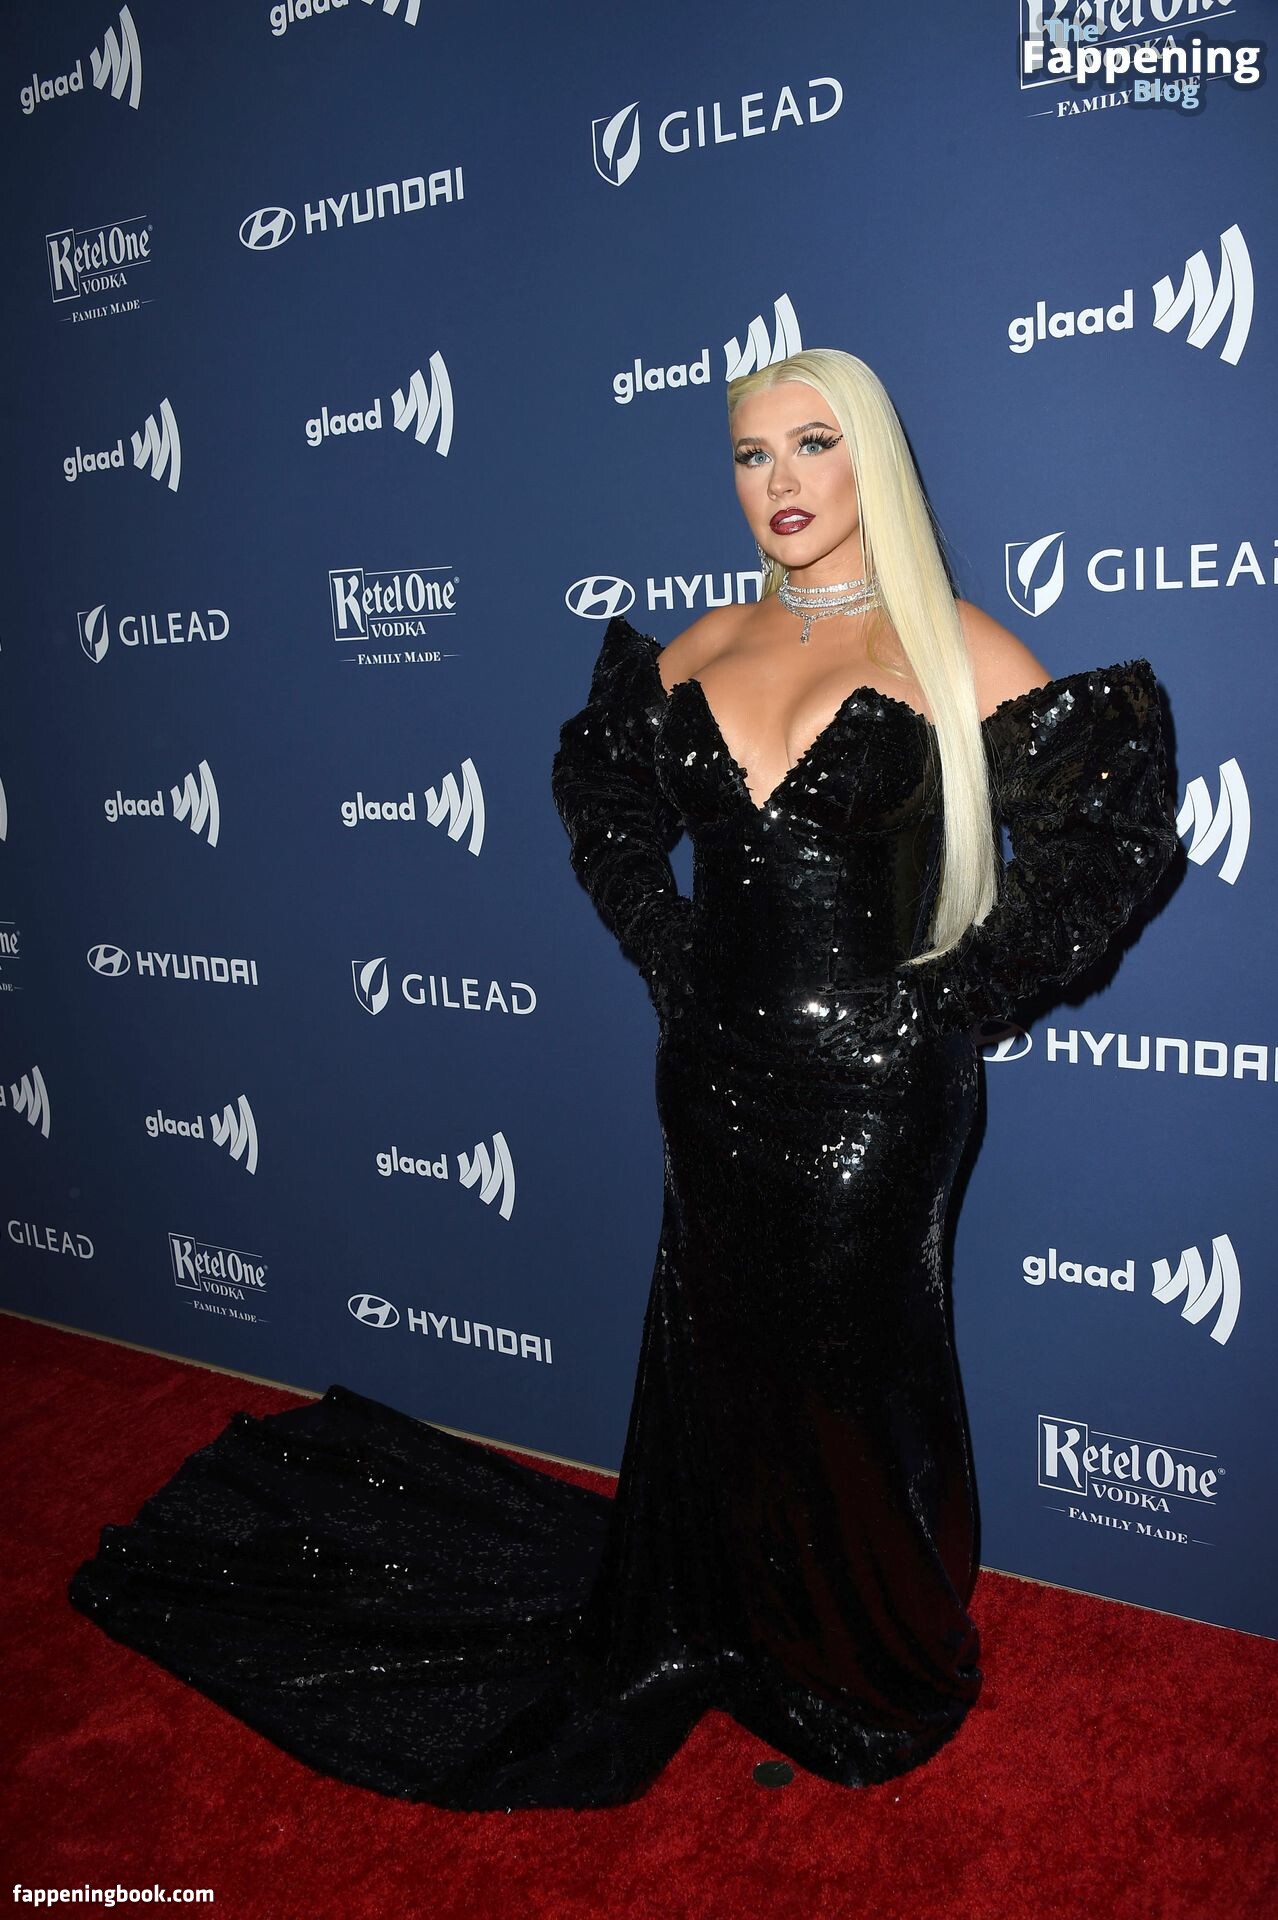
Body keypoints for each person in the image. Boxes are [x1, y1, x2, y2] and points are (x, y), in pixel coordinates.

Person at [66, 348, 1180, 1811]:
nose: (779, 482)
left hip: (877, 1096)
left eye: (812, 444)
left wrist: (950, 1001)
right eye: (750, 455)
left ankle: (864, 1659)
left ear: (872, 460)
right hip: (712, 1075)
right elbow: (600, 803)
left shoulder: (954, 645)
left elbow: (1107, 841)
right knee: (725, 1359)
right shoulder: (706, 643)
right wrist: (670, 952)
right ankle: (728, 1615)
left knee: (856, 1372)